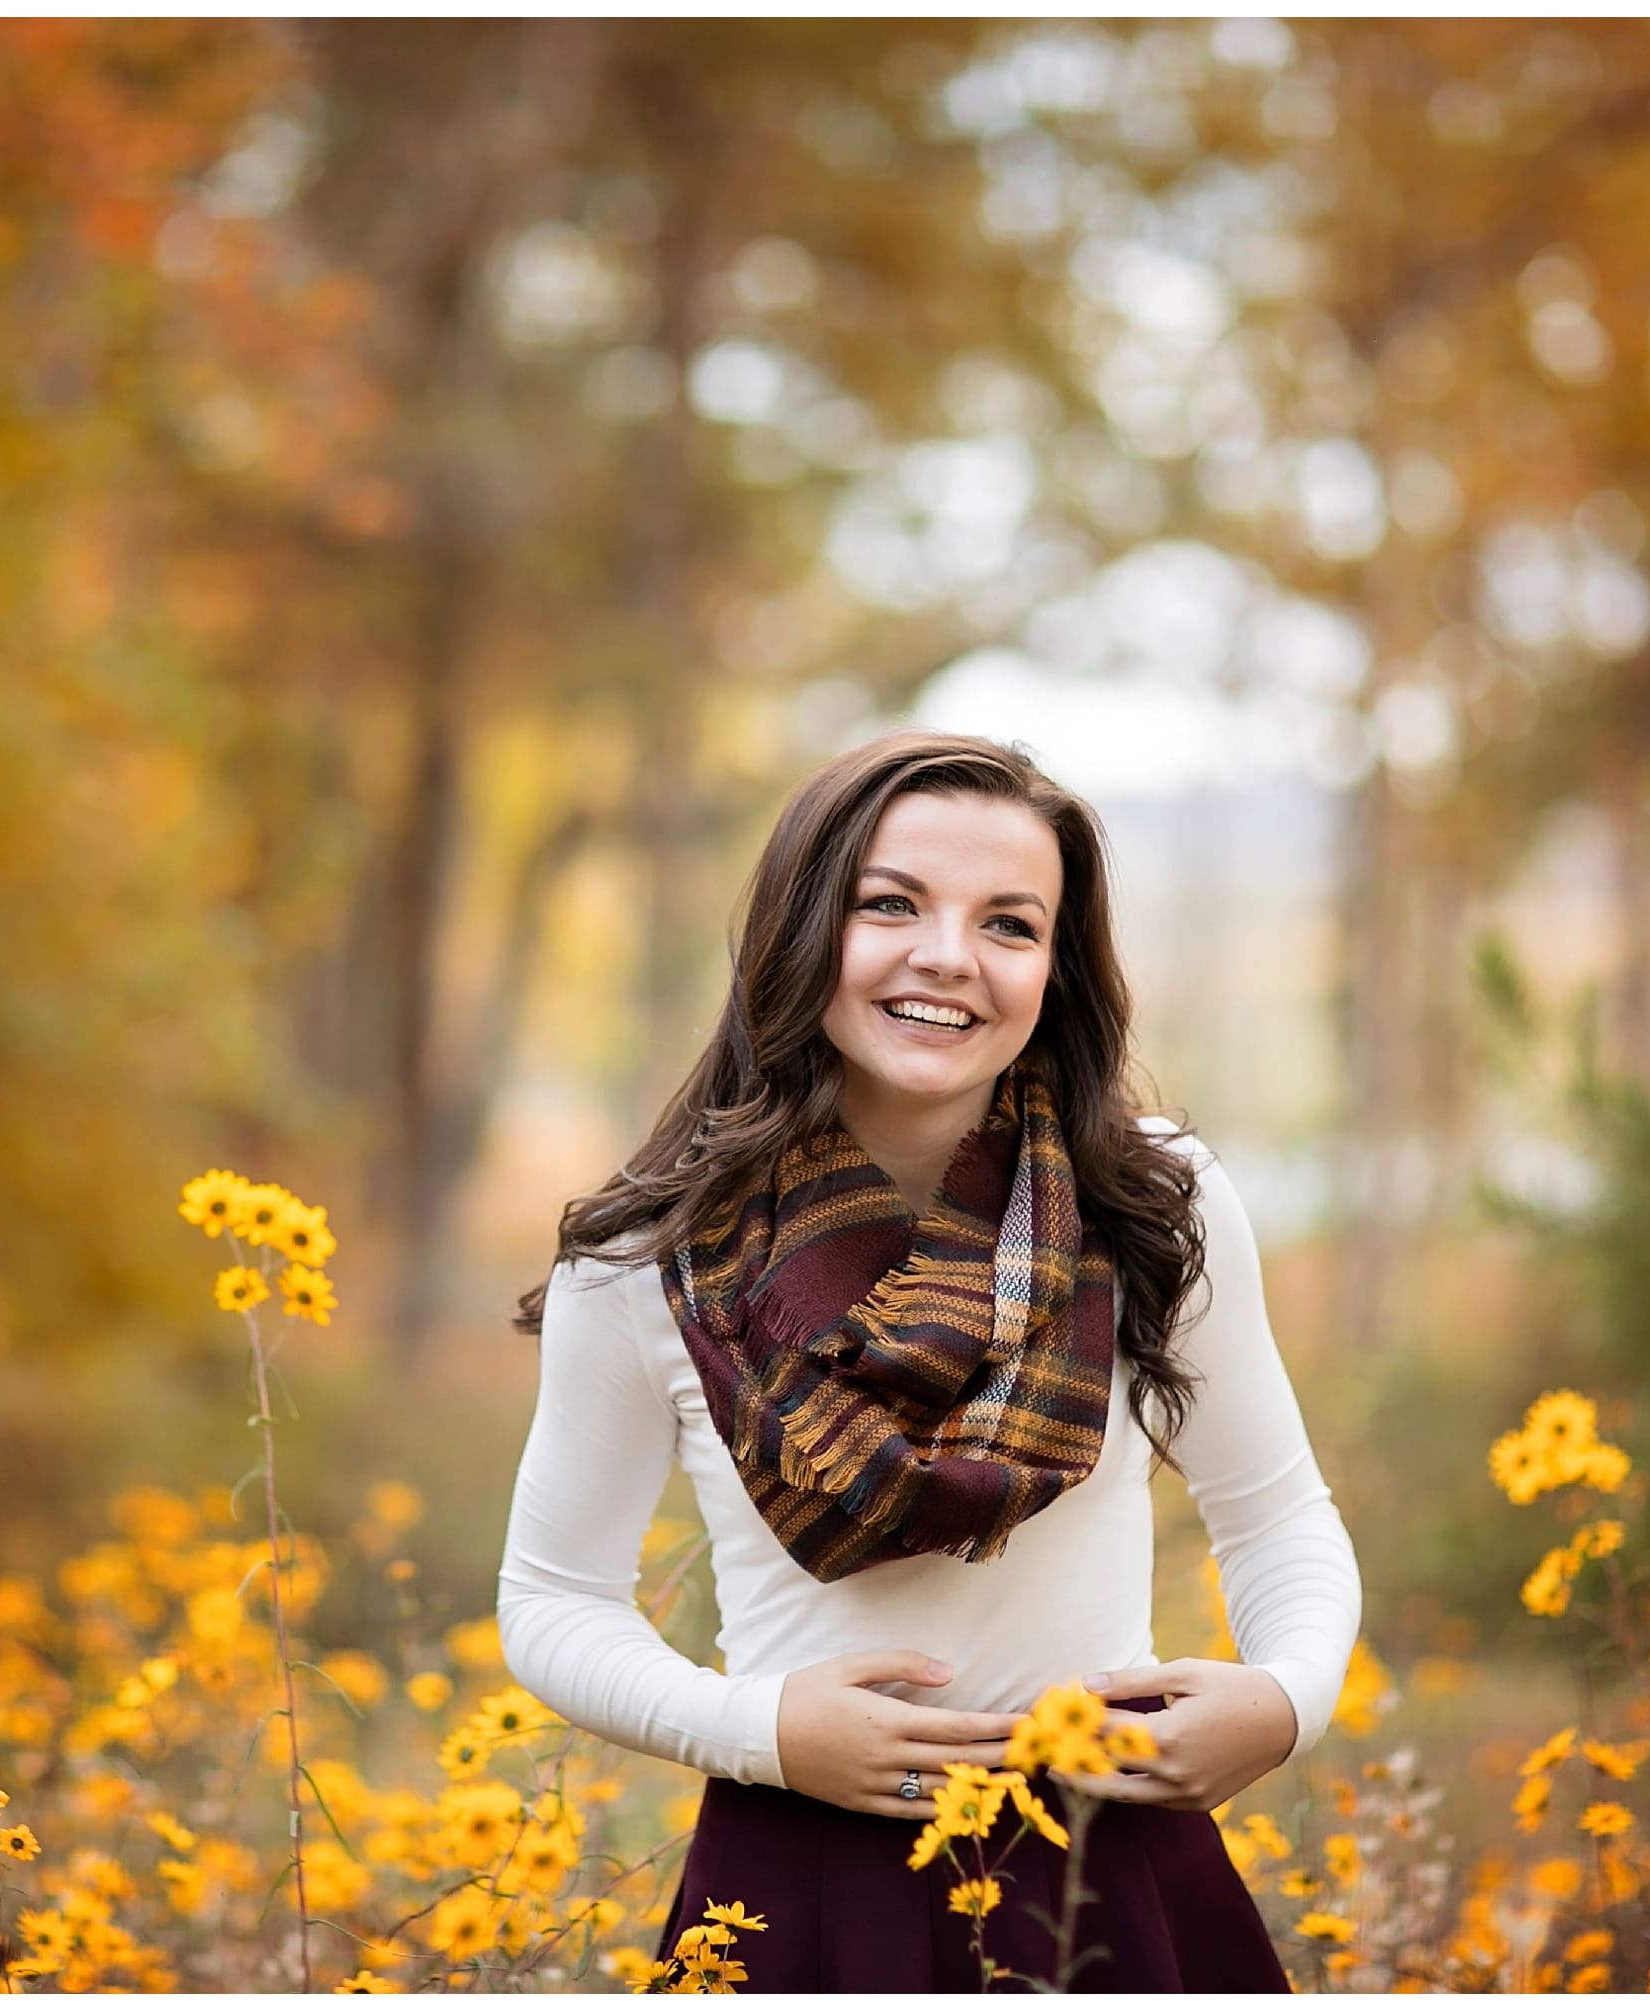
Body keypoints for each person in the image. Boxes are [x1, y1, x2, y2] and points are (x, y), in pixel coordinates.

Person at [496, 731, 1360, 1993]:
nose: (949, 956)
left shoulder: (1154, 1202)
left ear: (1054, 972)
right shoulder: (652, 1258)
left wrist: (1286, 1702)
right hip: (797, 1868)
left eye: (1009, 924)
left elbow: (1278, 1515)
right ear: (800, 931)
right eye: (890, 903)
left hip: (1111, 1861)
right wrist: (766, 1731)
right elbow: (553, 1597)